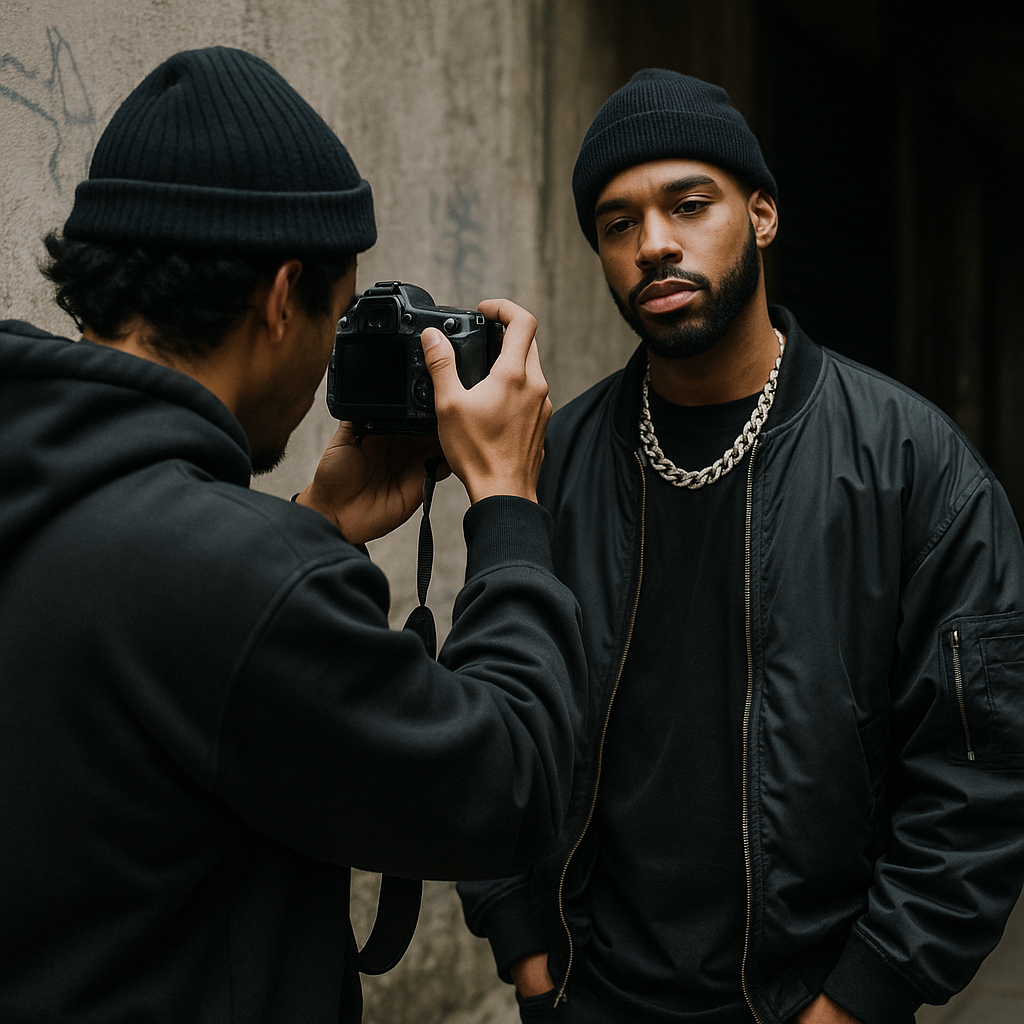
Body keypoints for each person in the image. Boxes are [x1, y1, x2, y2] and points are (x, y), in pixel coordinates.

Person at [0, 46, 587, 1024]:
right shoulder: (233, 578)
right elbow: (510, 785)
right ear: (281, 298)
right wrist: (506, 500)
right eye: (337, 309)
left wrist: (309, 533)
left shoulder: (50, 482)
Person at [458, 69, 1024, 1024]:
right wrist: (528, 958)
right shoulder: (551, 467)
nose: (655, 245)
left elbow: (980, 773)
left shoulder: (914, 466)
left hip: (811, 1003)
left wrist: (860, 997)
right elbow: (495, 718)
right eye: (618, 223)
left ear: (761, 215)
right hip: (588, 996)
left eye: (689, 204)